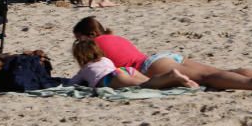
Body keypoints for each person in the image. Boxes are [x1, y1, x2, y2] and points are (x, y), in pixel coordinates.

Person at [73, 16, 252, 91]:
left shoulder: (94, 45)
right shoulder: (115, 37)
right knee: (219, 72)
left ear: (89, 34)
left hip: (150, 66)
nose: (77, 43)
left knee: (208, 78)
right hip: (162, 57)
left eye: (78, 38)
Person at [70, 39, 198, 89]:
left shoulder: (85, 69)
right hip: (124, 70)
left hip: (111, 78)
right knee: (151, 81)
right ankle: (178, 82)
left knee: (145, 85)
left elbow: (73, 83)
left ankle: (172, 76)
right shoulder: (105, 60)